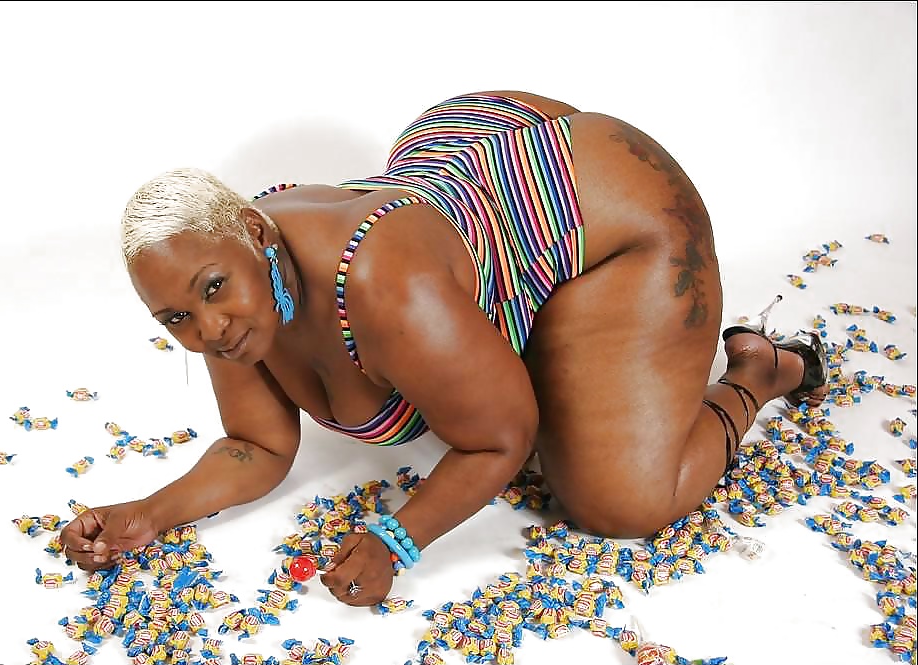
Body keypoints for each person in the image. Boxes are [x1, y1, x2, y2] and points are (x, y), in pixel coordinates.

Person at [60, 90, 828, 606]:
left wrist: (396, 539)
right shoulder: (232, 296)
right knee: (516, 385)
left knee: (617, 501)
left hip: (607, 209)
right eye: (176, 318)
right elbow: (256, 444)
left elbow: (500, 438)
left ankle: (762, 369)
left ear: (255, 234)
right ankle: (531, 338)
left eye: (213, 289)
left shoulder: (383, 287)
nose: (208, 329)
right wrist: (148, 514)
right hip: (464, 165)